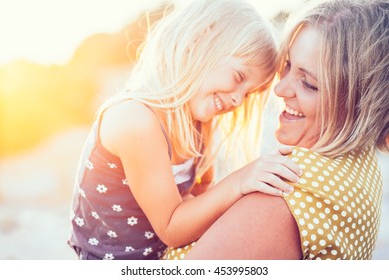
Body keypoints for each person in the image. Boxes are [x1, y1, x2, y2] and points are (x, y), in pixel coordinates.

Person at [67, 0, 303, 260]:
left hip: (163, 255)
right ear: (198, 43)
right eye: (238, 77)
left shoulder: (198, 123)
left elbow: (201, 197)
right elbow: (171, 227)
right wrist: (240, 180)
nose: (237, 100)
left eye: (247, 95)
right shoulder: (135, 120)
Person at [164, 0, 388, 260]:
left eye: (309, 84)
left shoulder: (285, 187)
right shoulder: (361, 165)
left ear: (362, 104)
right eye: (288, 66)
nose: (279, 90)